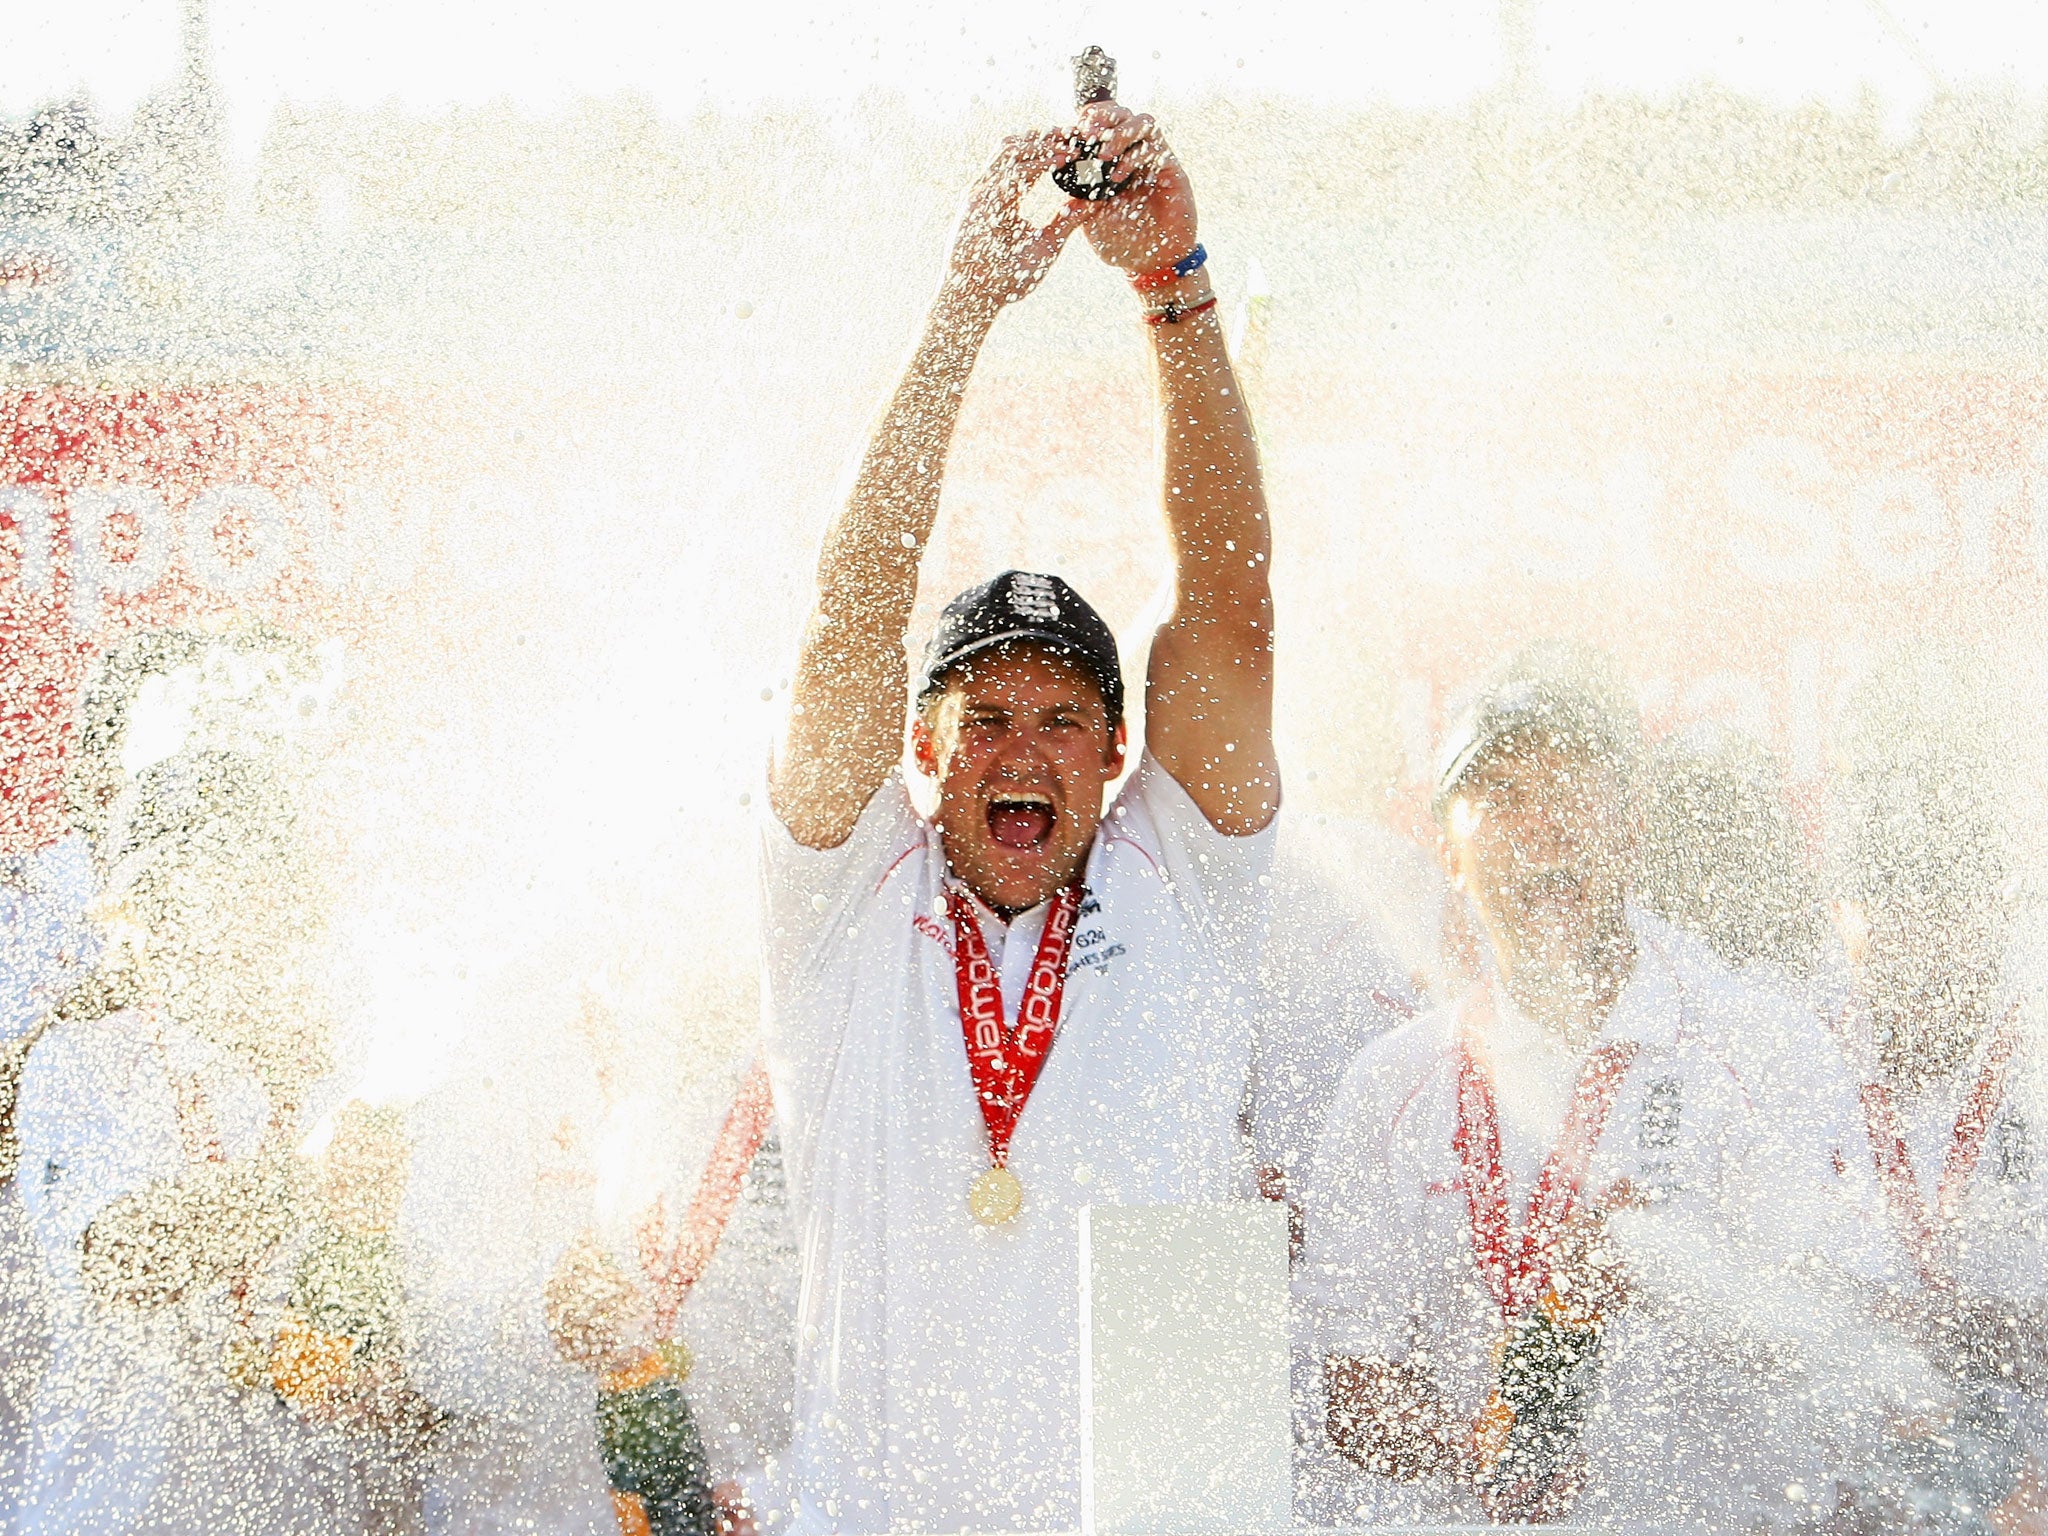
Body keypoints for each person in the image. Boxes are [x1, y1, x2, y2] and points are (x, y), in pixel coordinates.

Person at [758, 100, 1277, 1533]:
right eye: (983, 718)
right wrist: (967, 304)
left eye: (1060, 720)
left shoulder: (1185, 881)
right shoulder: (842, 905)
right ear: (922, 752)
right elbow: (852, 614)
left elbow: (1229, 609)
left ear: (1118, 754)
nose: (1022, 750)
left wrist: (1174, 297)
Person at [1299, 644, 1917, 1533]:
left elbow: (1844, 1336)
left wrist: (1669, 1267)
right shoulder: (1389, 1082)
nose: (1544, 824)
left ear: (1631, 825)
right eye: (1504, 794)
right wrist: (1489, 1438)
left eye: (1575, 787)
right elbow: (1354, 1389)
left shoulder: (1760, 1045)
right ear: (1448, 849)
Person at [1824, 654, 2048, 1534]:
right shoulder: (1797, 1051)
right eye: (1887, 894)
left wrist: (2007, 1336)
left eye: (1944, 892)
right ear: (1847, 909)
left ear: (1997, 901)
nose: (1918, 930)